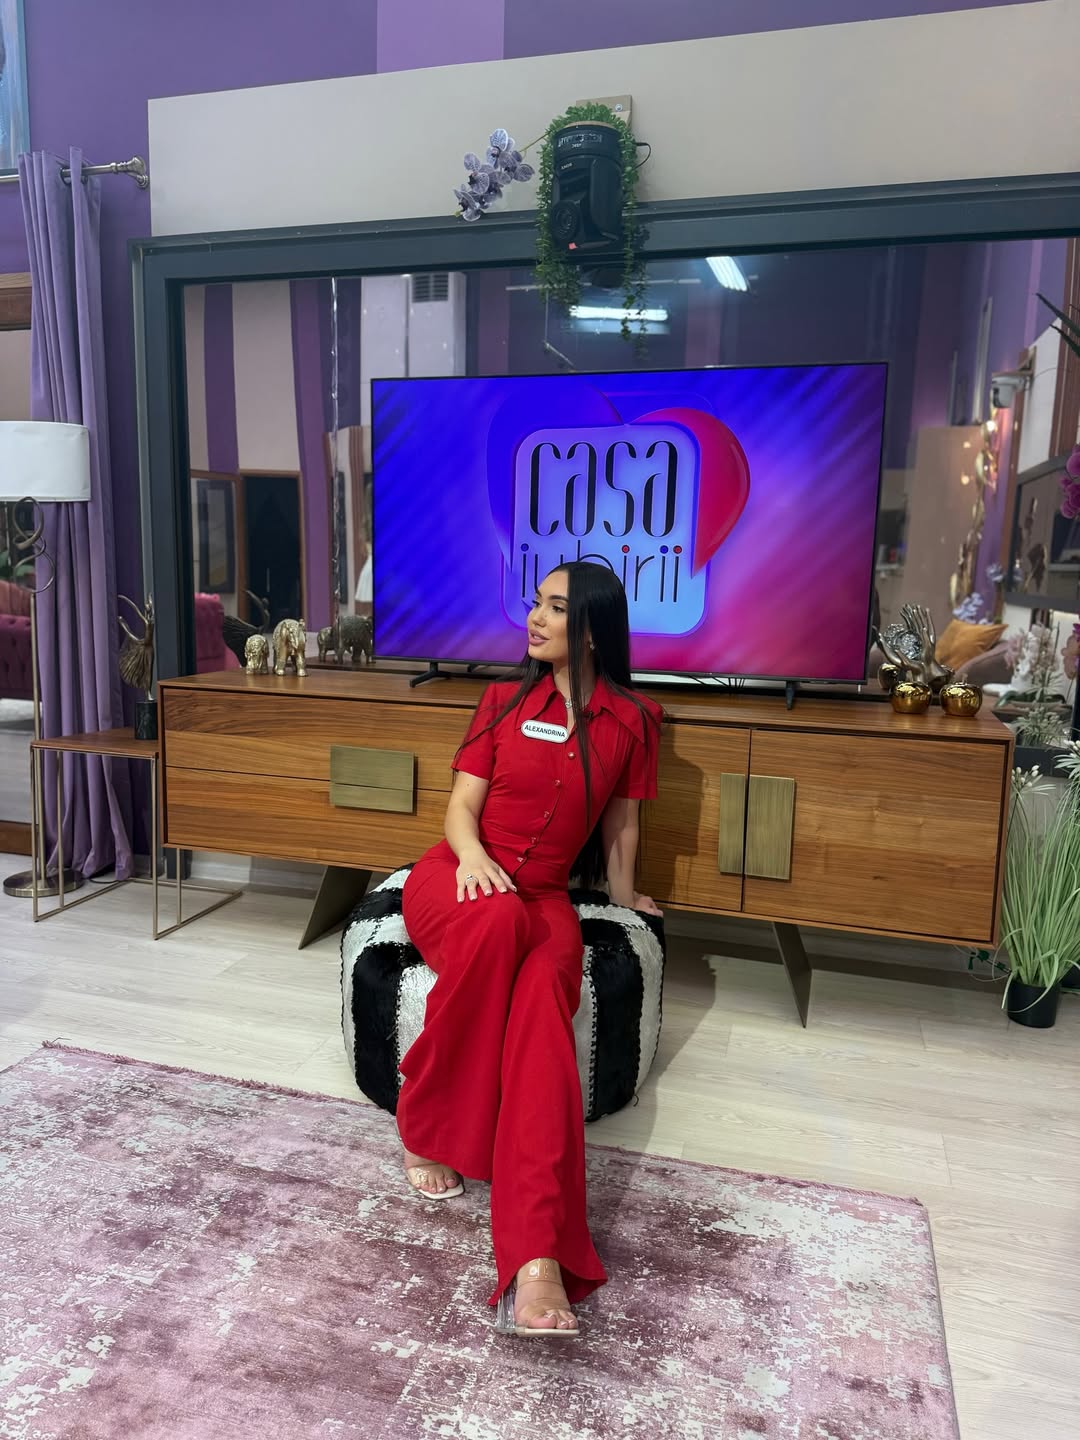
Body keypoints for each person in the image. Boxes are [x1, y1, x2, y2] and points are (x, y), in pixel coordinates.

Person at [395, 560, 663, 1338]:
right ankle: (426, 1123)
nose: (535, 618)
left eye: (555, 607)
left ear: (593, 629)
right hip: (458, 876)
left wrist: (623, 896)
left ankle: (538, 1257)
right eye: (536, 603)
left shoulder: (633, 721)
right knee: (497, 923)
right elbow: (459, 809)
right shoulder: (502, 701)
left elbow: (622, 823)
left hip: (543, 898)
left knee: (544, 1007)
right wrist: (474, 859)